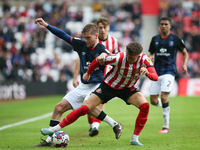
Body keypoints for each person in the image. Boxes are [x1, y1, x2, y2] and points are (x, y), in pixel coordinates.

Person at [40, 41, 159, 146]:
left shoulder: (145, 60)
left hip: (128, 89)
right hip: (108, 87)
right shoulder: (118, 57)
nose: (128, 58)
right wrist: (88, 73)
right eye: (127, 55)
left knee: (145, 106)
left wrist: (147, 73)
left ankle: (134, 139)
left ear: (138, 56)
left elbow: (155, 77)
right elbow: (97, 61)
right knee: (85, 108)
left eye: (132, 57)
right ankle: (54, 129)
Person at [33, 18, 122, 147]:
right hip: (84, 85)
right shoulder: (81, 44)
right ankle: (50, 140)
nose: (86, 41)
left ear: (96, 36)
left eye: (88, 38)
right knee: (58, 108)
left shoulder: (102, 50)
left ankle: (114, 125)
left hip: (97, 85)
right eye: (84, 38)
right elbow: (63, 35)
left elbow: (117, 61)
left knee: (86, 106)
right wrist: (46, 25)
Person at [73, 17, 121, 137]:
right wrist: (75, 77)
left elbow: (118, 57)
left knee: (100, 101)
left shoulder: (114, 41)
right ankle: (92, 126)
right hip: (90, 76)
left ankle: (95, 126)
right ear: (97, 29)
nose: (102, 30)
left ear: (108, 28)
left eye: (104, 27)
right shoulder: (90, 41)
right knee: (89, 102)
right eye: (100, 27)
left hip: (106, 75)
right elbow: (80, 59)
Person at [148, 17, 188, 133]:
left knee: (164, 96)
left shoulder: (176, 39)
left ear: (170, 26)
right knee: (153, 101)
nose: (163, 26)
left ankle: (166, 127)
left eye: (166, 24)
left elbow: (185, 53)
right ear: (159, 26)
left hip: (169, 72)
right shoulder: (155, 39)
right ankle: (163, 104)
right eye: (162, 24)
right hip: (156, 72)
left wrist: (184, 65)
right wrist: (151, 57)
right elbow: (151, 53)